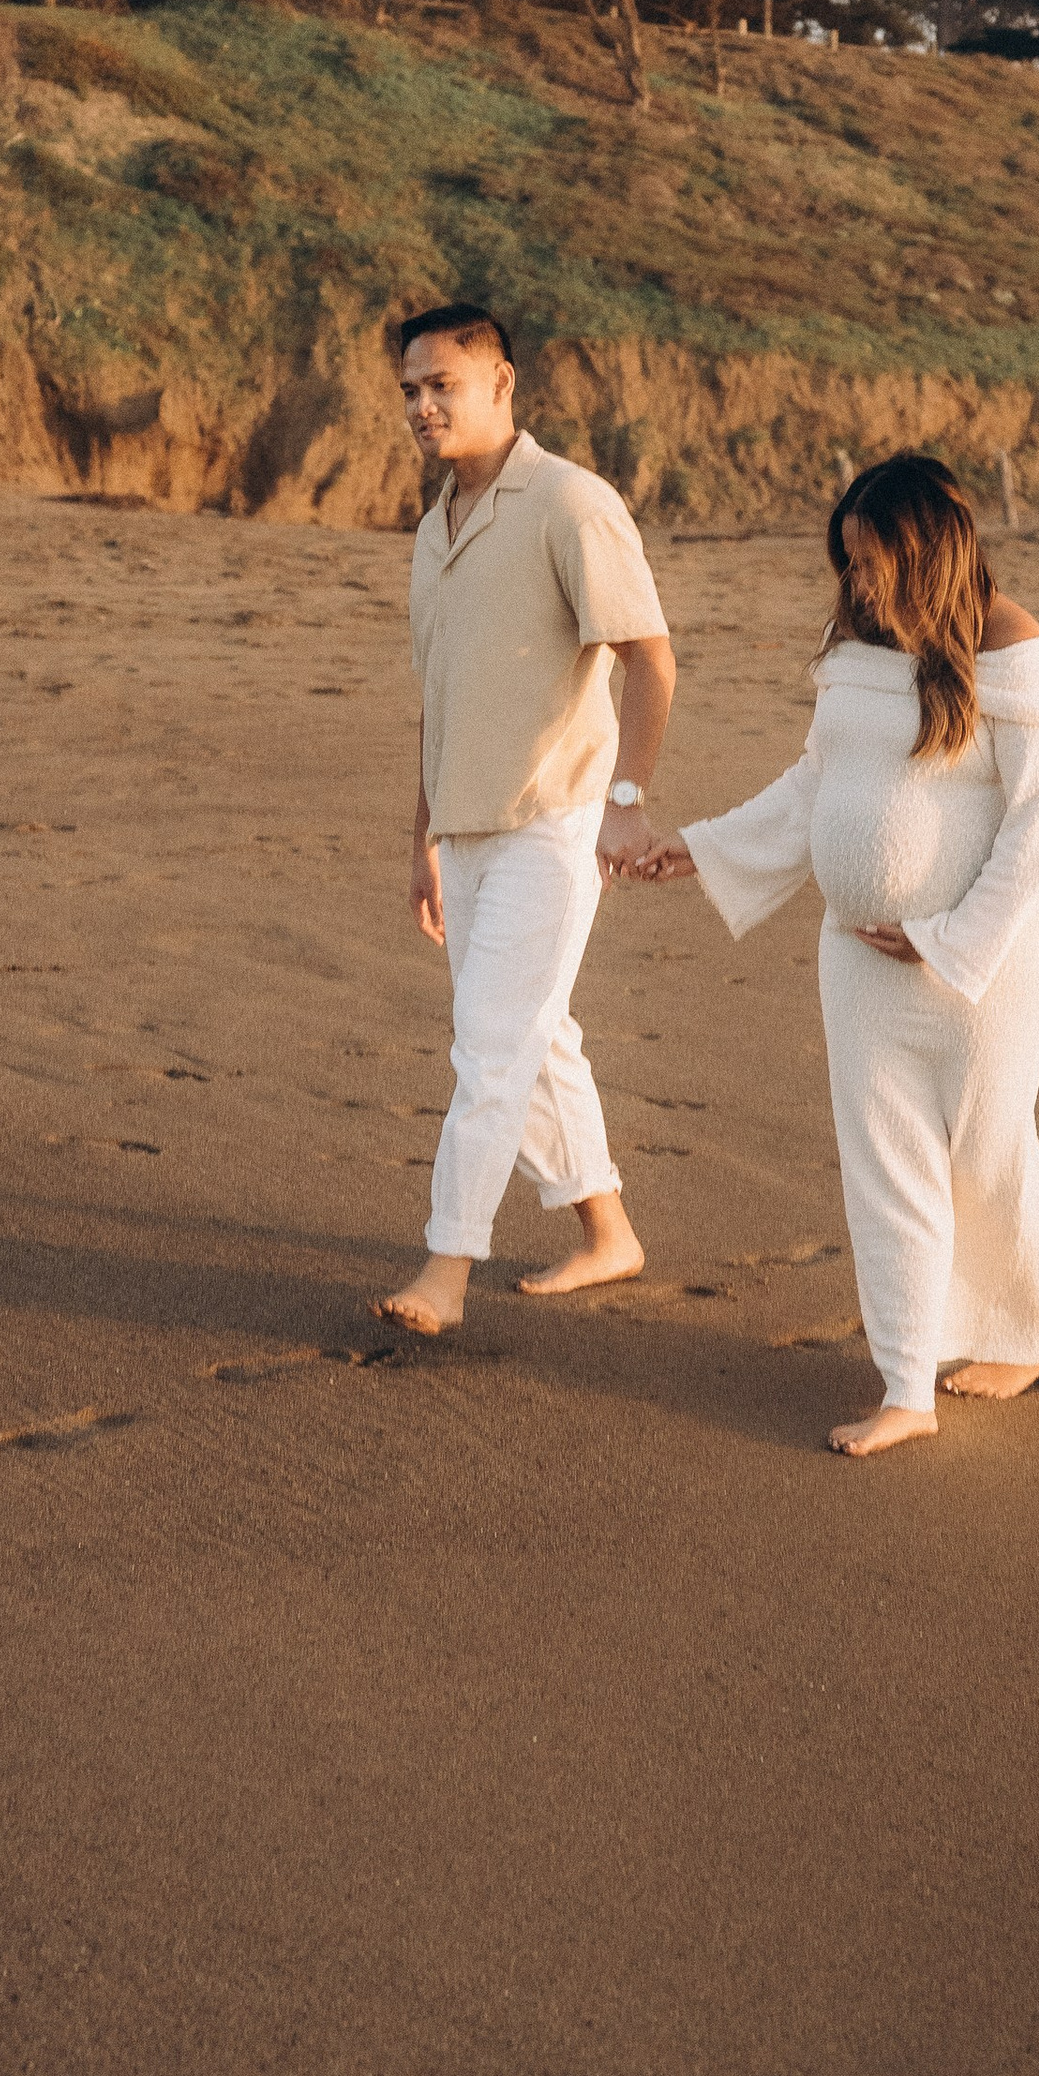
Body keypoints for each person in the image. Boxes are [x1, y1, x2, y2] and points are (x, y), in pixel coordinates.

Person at [638, 452, 1039, 1456]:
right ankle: (906, 1385)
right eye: (847, 561)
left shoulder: (1008, 640)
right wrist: (700, 850)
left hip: (992, 963)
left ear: (924, 549)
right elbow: (815, 783)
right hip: (857, 961)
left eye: (872, 560)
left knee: (988, 1148)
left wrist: (949, 939)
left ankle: (1024, 1330)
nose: (857, 581)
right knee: (884, 1166)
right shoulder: (853, 639)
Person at [375, 303, 677, 1338]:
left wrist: (625, 806)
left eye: (442, 385)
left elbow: (649, 658)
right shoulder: (433, 528)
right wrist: (421, 838)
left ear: (501, 383)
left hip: (558, 821)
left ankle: (446, 1269)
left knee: (490, 1048)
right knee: (535, 1039)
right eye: (410, 389)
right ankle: (609, 1234)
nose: (422, 405)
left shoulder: (569, 503)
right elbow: (441, 694)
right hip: (464, 828)